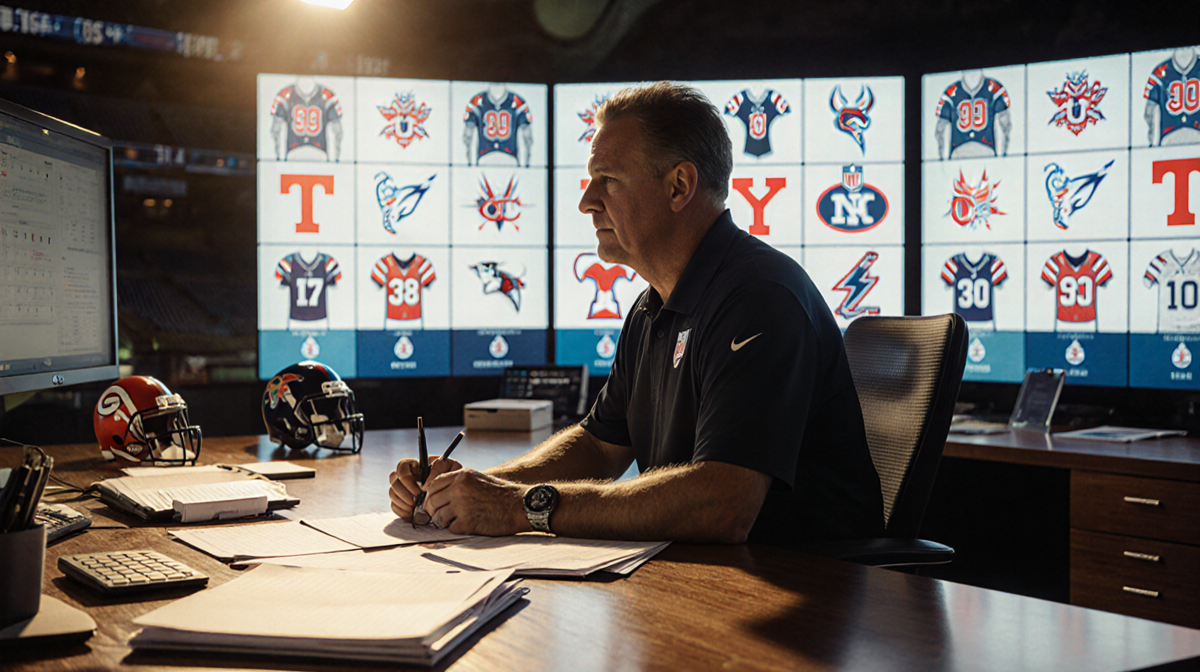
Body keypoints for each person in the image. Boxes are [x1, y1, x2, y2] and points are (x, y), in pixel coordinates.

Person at [389, 81, 884, 545]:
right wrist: (464, 488)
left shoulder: (761, 298)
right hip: (704, 587)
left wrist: (521, 507)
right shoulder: (653, 307)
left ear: (678, 186)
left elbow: (724, 503)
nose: (587, 202)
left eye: (608, 180)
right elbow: (599, 447)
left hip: (807, 601)